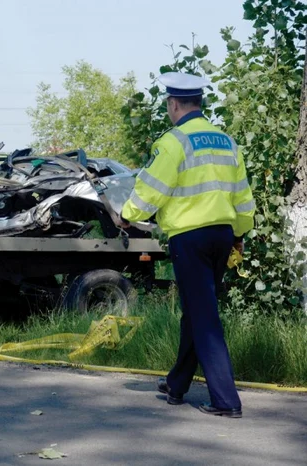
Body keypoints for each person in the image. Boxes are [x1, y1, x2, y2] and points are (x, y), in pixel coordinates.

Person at [119, 72, 255, 419]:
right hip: (223, 235)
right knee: (196, 310)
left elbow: (151, 188)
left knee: (204, 315)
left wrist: (127, 215)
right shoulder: (227, 142)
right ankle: (177, 385)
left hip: (190, 239)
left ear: (174, 104)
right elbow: (242, 195)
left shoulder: (173, 142)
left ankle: (226, 400)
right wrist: (239, 233)